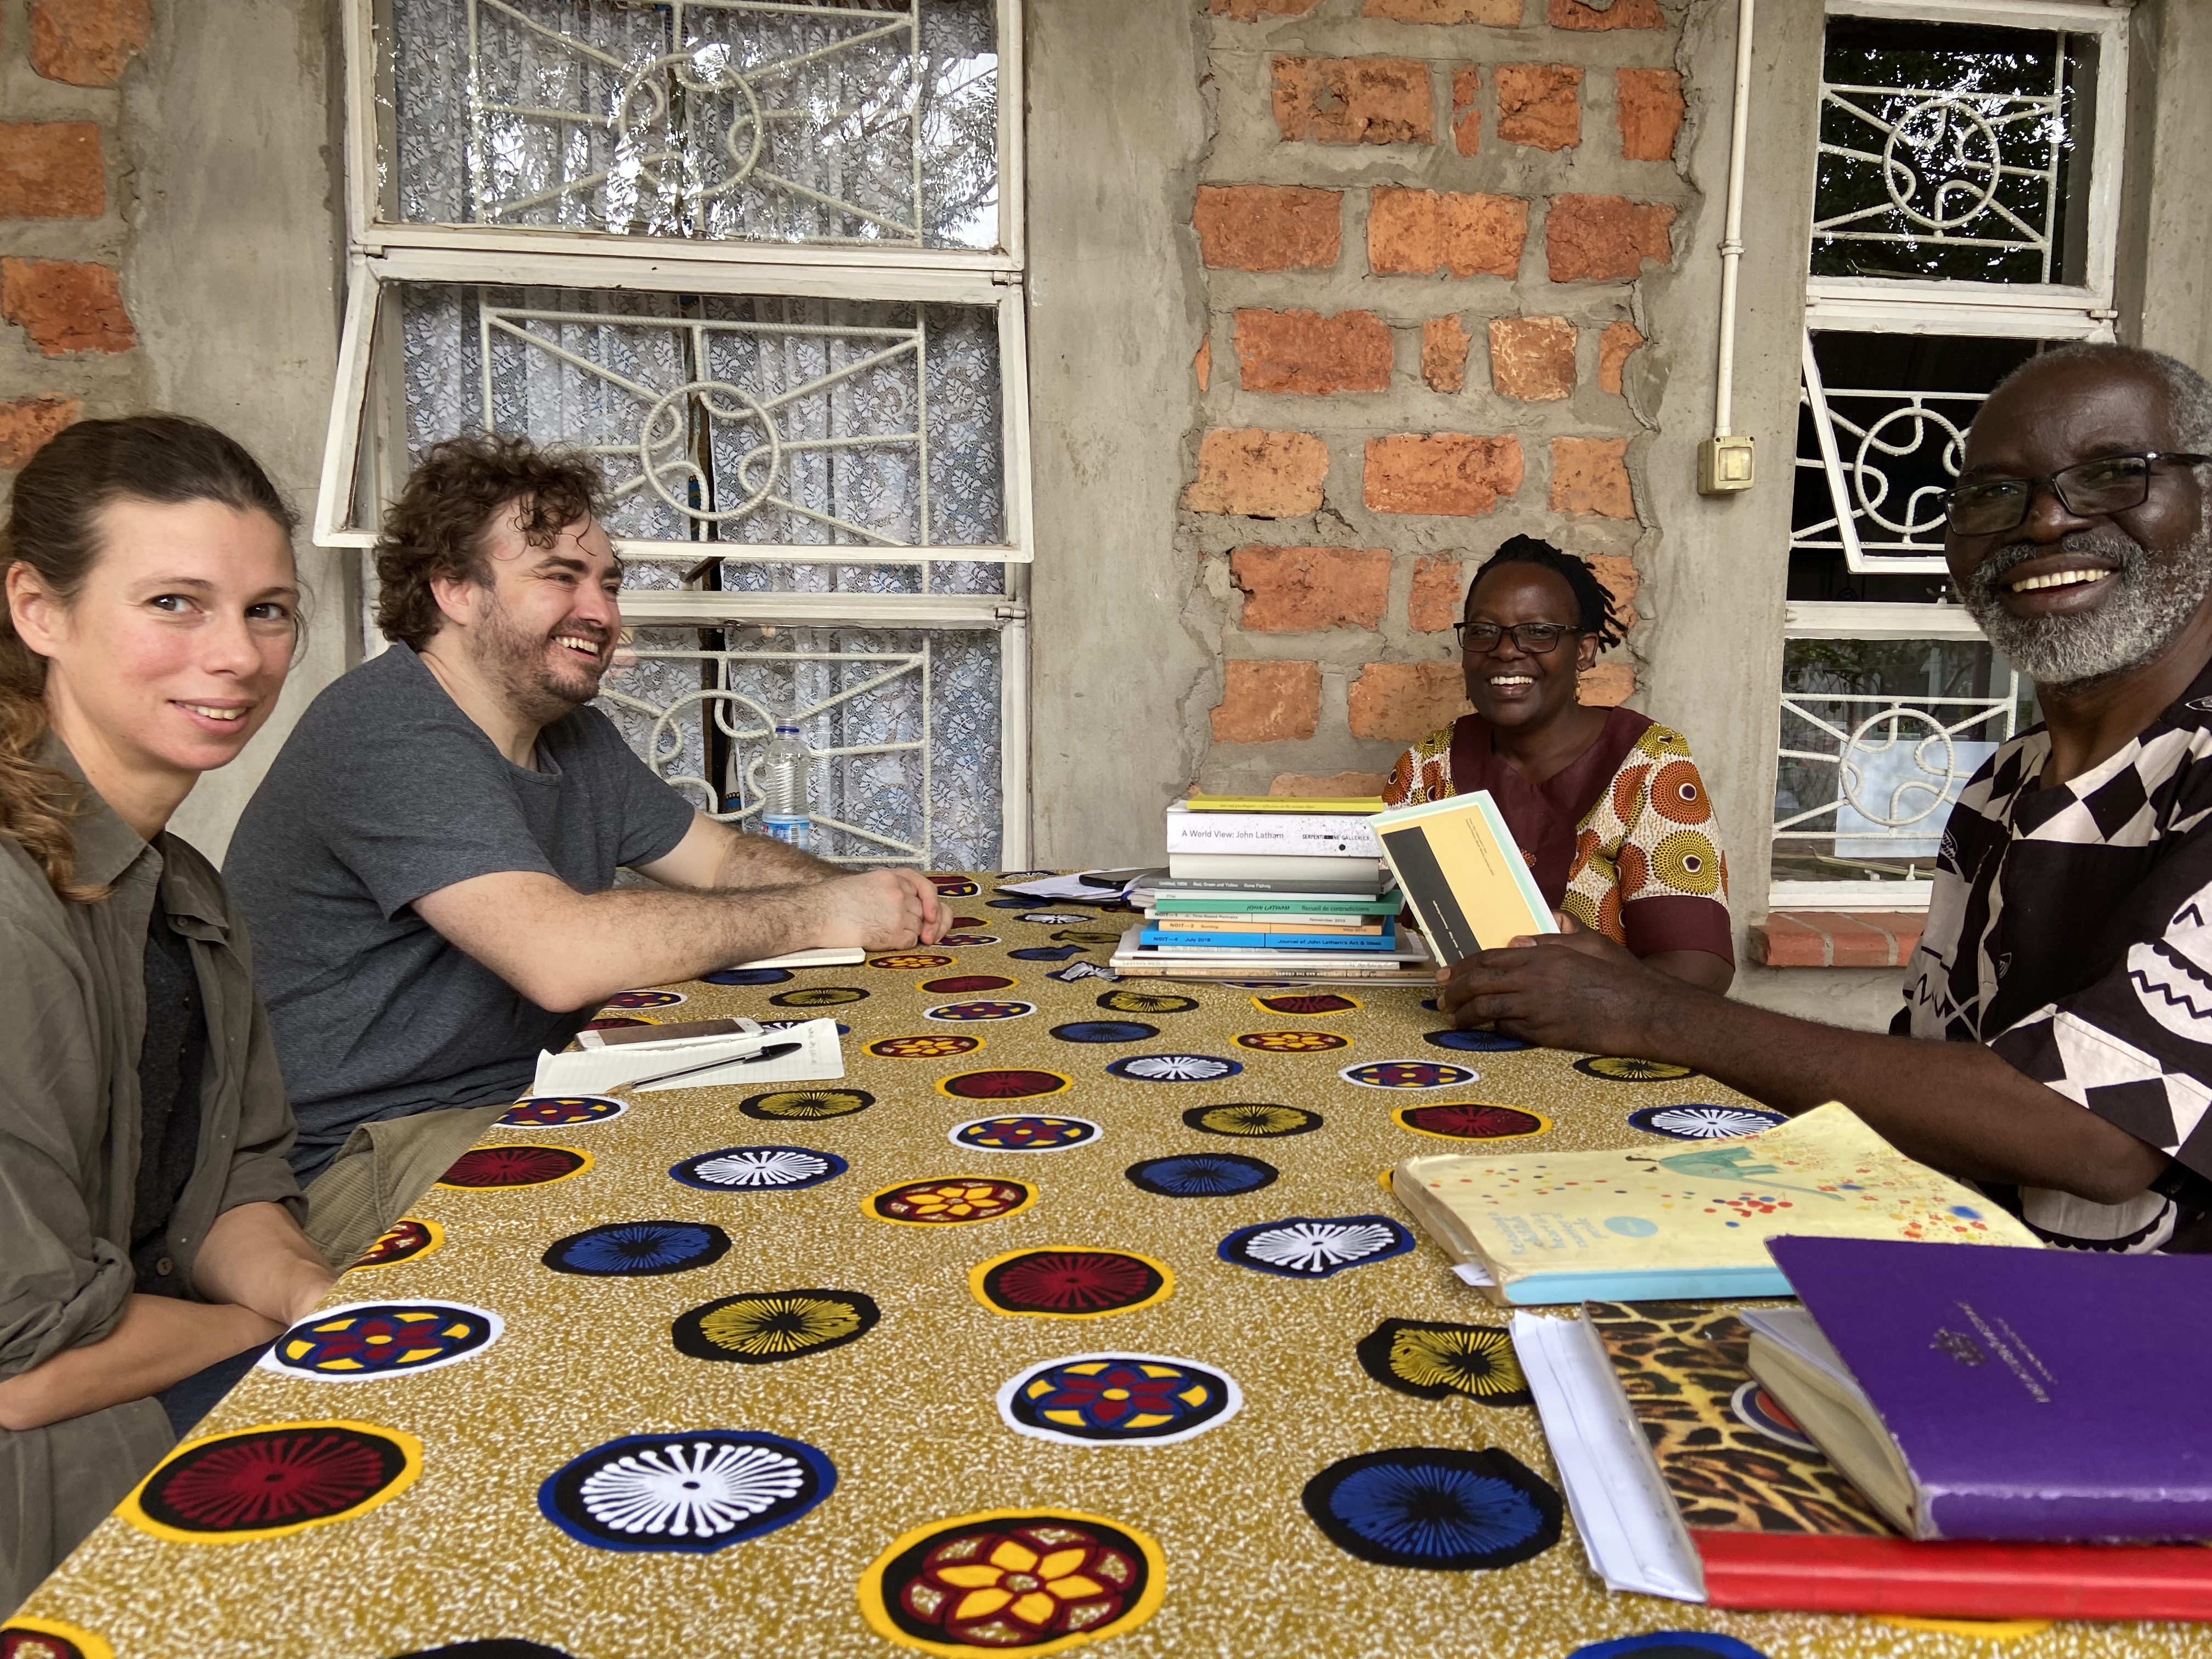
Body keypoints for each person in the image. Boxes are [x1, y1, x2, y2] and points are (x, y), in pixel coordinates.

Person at [1441, 343, 2212, 1254]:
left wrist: (1642, 1010)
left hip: (2136, 1345)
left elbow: (2098, 1131)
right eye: (1993, 494)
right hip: (1961, 1271)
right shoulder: (2003, 784)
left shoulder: (1648, 764)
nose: (2043, 522)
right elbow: (1938, 1082)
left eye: (2112, 475)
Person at [225, 434, 949, 1265]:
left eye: (607, 583)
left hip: (534, 1097)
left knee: (821, 1147)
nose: (601, 613)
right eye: (559, 578)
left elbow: (719, 862)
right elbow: (561, 957)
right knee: (707, 1234)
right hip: (367, 1155)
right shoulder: (389, 728)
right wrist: (824, 912)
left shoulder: (574, 735)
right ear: (453, 590)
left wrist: (866, 893)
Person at [0, 416, 336, 1607]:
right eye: (175, 604)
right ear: (41, 610)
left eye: (268, 610)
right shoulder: (9, 901)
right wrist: (255, 1337)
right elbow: (23, 1369)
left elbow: (235, 1182)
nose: (238, 657)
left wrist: (312, 1298)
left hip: (143, 1363)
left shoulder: (184, 885)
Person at [1384, 535, 1734, 991]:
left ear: (1584, 651)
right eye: (1484, 631)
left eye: (1538, 631)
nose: (1506, 650)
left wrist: (1594, 970)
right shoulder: (1427, 767)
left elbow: (1699, 973)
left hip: (1603, 1049)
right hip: (1447, 1038)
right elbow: (1379, 932)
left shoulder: (1650, 766)